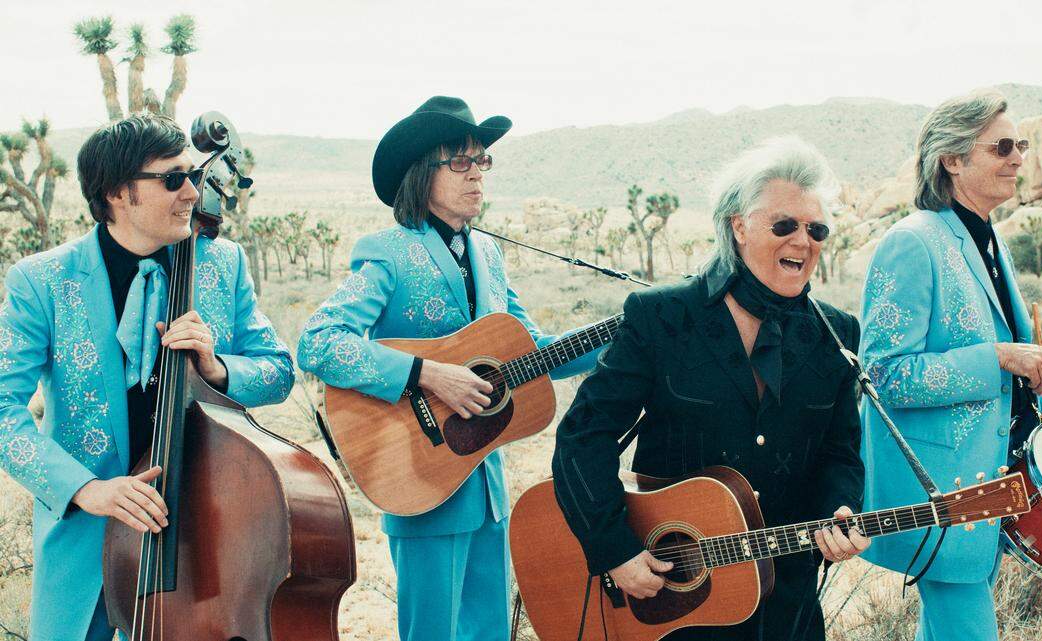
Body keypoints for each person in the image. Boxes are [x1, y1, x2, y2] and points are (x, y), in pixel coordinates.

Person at [297, 95, 602, 641]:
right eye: (460, 161)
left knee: (488, 632)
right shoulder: (387, 253)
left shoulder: (488, 254)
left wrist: (620, 336)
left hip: (485, 484)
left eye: (481, 160)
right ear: (422, 172)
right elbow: (319, 342)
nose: (477, 174)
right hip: (417, 476)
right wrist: (427, 374)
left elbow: (531, 351)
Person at [552, 137, 869, 641]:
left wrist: (840, 508)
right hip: (673, 601)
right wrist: (615, 551)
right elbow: (581, 440)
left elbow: (841, 453)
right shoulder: (660, 317)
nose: (802, 241)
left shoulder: (837, 335)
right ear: (738, 226)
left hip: (787, 604)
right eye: (783, 225)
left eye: (817, 229)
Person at [0, 114, 294, 641]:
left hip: (207, 536)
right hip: (84, 542)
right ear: (117, 193)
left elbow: (277, 371)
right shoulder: (40, 281)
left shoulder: (222, 264)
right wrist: (86, 489)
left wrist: (216, 367)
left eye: (193, 175)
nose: (191, 191)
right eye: (172, 178)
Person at [858, 90, 1042, 641]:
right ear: (952, 159)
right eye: (1002, 146)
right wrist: (999, 358)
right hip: (944, 493)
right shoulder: (911, 242)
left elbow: (1005, 378)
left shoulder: (989, 239)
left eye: (1020, 144)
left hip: (998, 481)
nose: (1019, 157)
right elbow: (882, 377)